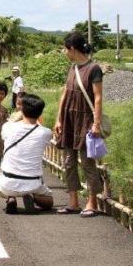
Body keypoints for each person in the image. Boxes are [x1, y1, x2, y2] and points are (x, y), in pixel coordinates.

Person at [54, 31, 104, 218]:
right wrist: (59, 118)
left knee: (88, 162)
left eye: (65, 49)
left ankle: (92, 202)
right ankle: (73, 202)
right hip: (68, 120)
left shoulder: (93, 69)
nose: (64, 52)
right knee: (68, 162)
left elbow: (98, 98)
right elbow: (64, 94)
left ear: (72, 48)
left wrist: (96, 124)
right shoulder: (72, 68)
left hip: (85, 121)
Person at [0, 93, 54, 214]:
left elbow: (5, 135)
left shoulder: (8, 127)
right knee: (49, 202)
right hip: (33, 183)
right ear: (40, 112)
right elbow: (39, 127)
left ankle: (11, 198)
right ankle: (31, 196)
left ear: (22, 109)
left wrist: (17, 117)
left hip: (8, 182)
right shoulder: (45, 133)